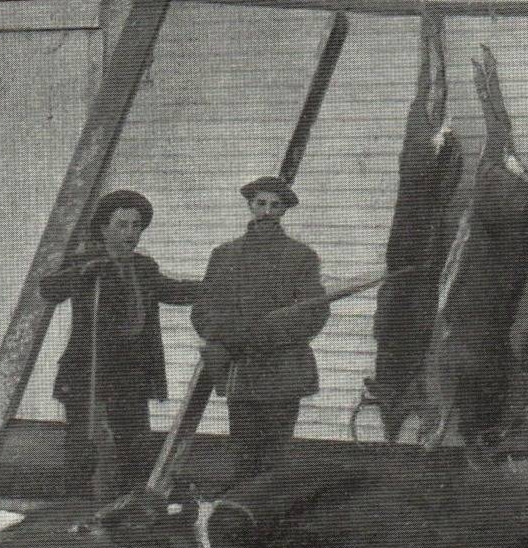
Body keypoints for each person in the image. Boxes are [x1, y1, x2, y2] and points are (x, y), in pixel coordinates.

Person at [40, 189, 203, 497]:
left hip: (131, 375)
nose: (131, 233)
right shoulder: (86, 262)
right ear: (104, 228)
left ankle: (127, 508)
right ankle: (75, 509)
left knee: (135, 447)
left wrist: (217, 286)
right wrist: (83, 271)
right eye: (122, 225)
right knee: (84, 447)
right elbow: (49, 289)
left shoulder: (143, 267)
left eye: (136, 226)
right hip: (88, 372)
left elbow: (174, 291)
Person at [192, 176, 330, 482]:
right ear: (250, 205)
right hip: (240, 370)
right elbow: (202, 311)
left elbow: (314, 312)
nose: (267, 212)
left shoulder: (301, 257)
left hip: (282, 371)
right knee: (243, 453)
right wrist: (231, 334)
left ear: (284, 211)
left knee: (274, 458)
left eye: (275, 206)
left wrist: (267, 335)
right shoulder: (224, 255)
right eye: (261, 203)